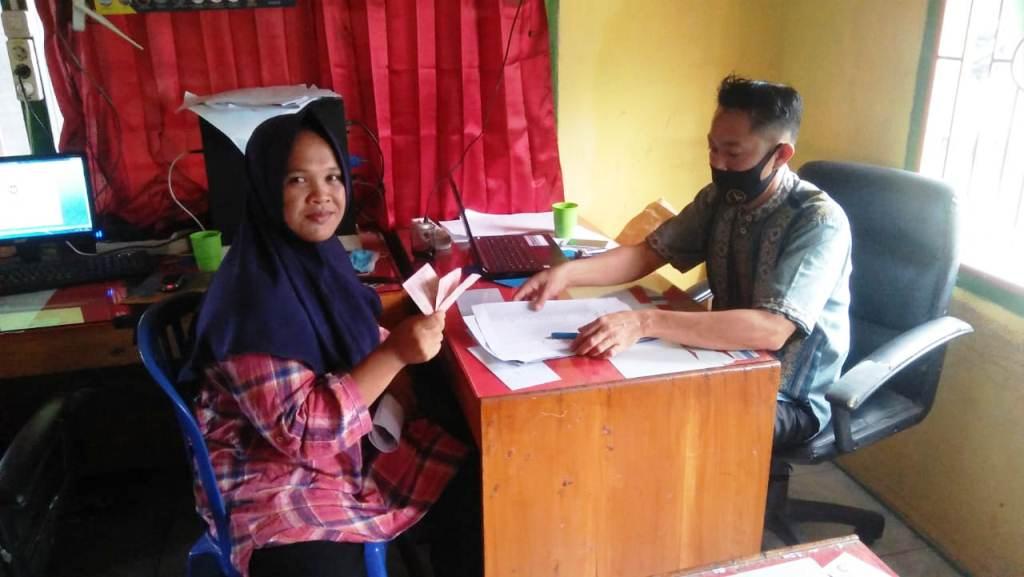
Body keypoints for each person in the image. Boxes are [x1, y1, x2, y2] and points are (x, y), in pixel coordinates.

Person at [185, 107, 475, 576]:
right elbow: (302, 433)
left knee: (480, 478)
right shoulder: (252, 300)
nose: (321, 194)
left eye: (333, 177)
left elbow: (353, 326)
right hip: (270, 479)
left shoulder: (316, 258)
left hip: (344, 454)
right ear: (265, 188)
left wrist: (406, 335)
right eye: (297, 179)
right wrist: (396, 353)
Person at [515, 75, 852, 449]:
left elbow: (771, 330)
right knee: (603, 391)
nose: (717, 163)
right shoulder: (721, 198)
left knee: (657, 421)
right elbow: (647, 253)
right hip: (721, 359)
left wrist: (645, 322)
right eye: (712, 148)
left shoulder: (818, 221)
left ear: (781, 154)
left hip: (787, 396)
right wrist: (566, 274)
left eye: (733, 153)